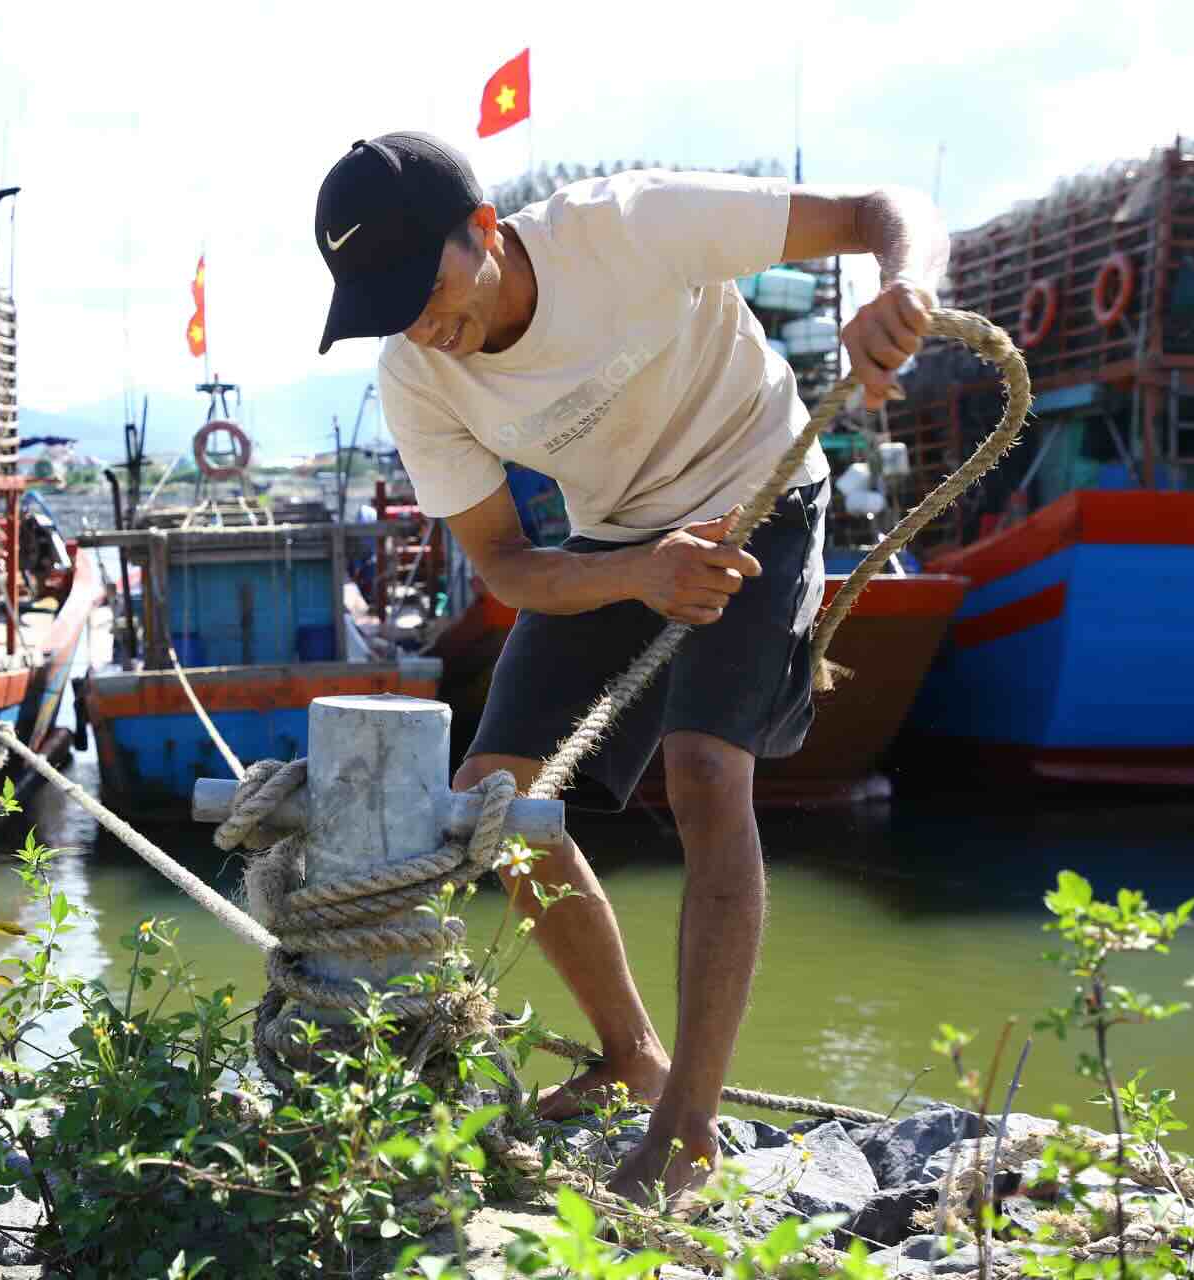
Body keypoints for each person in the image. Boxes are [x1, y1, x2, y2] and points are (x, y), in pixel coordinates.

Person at [311, 131, 946, 1207]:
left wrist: (905, 287)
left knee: (704, 769)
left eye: (424, 287)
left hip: (762, 490)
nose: (423, 323)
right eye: (387, 307)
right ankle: (631, 1052)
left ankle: (688, 1124)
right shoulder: (417, 375)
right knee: (492, 805)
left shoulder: (628, 227)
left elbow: (883, 204)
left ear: (483, 232)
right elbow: (508, 564)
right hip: (617, 541)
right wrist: (642, 571)